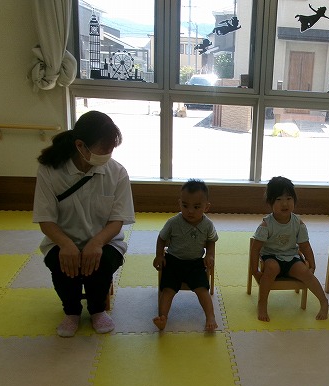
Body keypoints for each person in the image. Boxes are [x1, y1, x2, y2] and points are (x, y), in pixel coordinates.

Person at [32, 111, 135, 337]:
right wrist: (66, 244)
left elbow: (117, 221)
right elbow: (45, 220)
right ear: (80, 146)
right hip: (62, 240)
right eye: (103, 149)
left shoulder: (117, 173)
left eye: (111, 149)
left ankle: (97, 310)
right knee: (61, 262)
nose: (107, 155)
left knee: (101, 262)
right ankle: (71, 312)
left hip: (105, 241)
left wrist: (97, 243)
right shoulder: (50, 170)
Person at [250, 176, 329, 321]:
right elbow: (255, 249)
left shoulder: (298, 223)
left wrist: (312, 264)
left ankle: (324, 302)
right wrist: (255, 271)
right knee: (272, 268)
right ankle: (262, 303)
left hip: (291, 257)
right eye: (279, 199)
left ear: (294, 200)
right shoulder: (266, 225)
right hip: (271, 256)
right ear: (271, 202)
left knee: (305, 272)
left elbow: (305, 245)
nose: (285, 203)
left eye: (289, 198)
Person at [153, 179, 218, 332]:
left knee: (202, 290)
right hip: (173, 262)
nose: (190, 211)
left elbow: (211, 241)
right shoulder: (173, 222)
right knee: (167, 290)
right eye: (185, 205)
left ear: (206, 207)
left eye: (196, 207)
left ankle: (210, 316)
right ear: (179, 203)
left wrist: (209, 255)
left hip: (195, 264)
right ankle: (163, 317)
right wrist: (159, 255)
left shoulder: (208, 224)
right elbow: (161, 238)